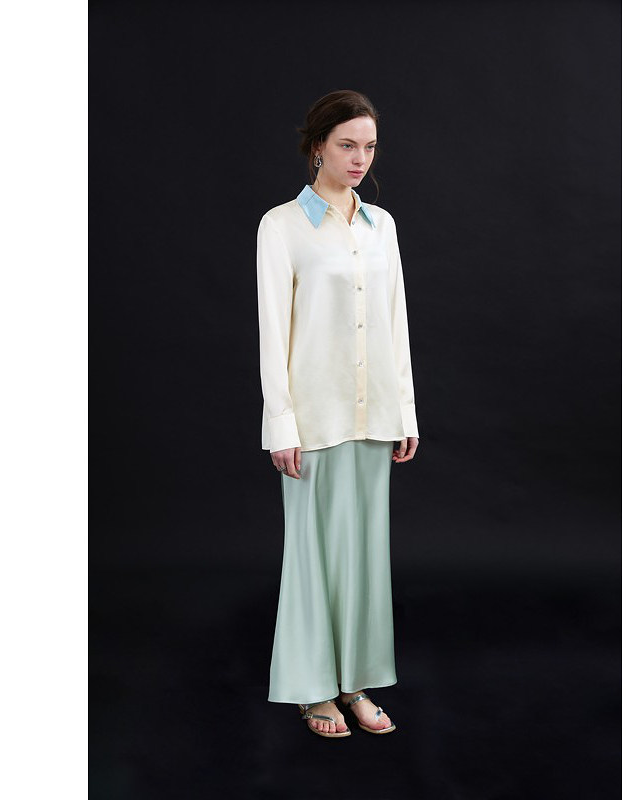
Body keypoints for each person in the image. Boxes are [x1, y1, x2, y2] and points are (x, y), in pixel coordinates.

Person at [256, 89, 420, 738]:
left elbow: (394, 323)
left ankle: (354, 683)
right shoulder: (282, 226)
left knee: (363, 558)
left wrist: (405, 412)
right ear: (317, 146)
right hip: (313, 420)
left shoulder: (382, 226)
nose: (360, 158)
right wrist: (281, 425)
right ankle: (312, 690)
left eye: (369, 146)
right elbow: (274, 332)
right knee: (312, 555)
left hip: (373, 414)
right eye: (347, 144)